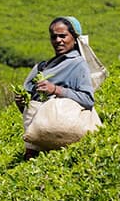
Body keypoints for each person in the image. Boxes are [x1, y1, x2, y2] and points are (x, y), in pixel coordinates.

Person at [14, 16, 95, 160]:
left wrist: (55, 90)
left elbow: (88, 100)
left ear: (74, 38)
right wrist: (21, 102)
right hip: (37, 141)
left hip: (65, 128)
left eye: (63, 36)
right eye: (54, 37)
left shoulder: (78, 64)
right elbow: (29, 110)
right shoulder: (42, 67)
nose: (58, 41)